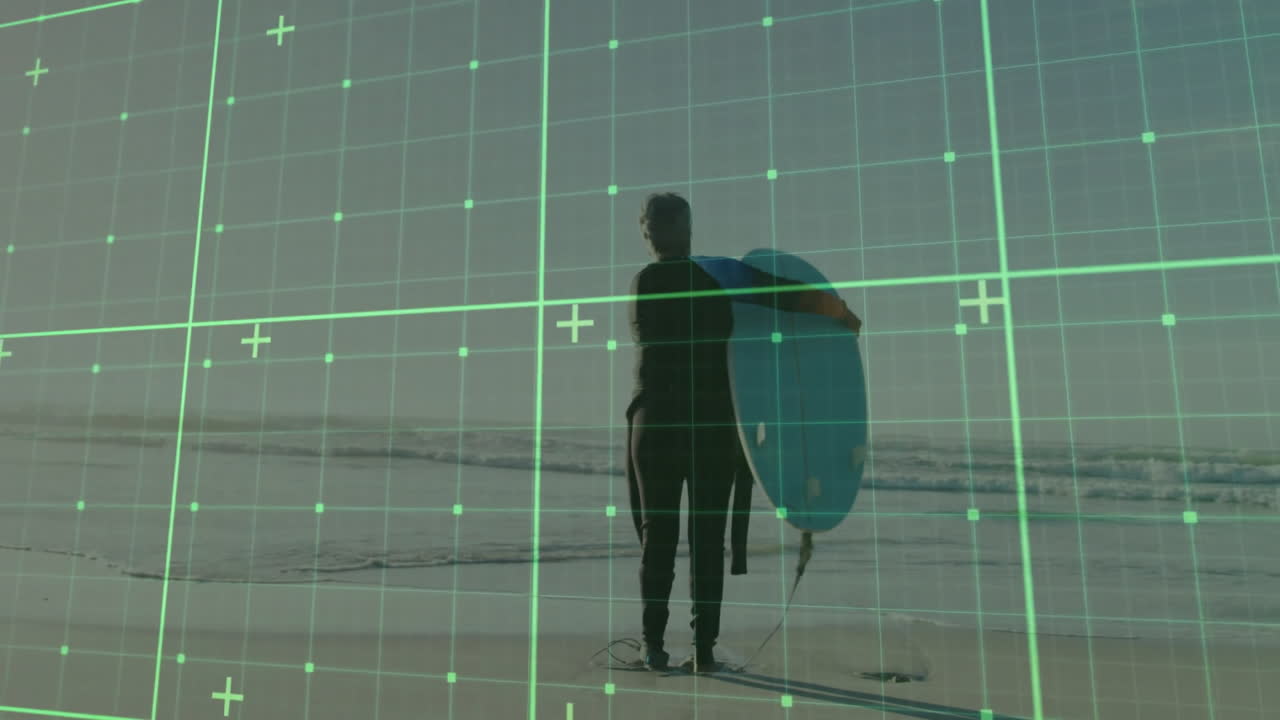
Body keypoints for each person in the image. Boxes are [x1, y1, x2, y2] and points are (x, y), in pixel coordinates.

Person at [624, 192, 861, 673]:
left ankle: (653, 647)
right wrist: (836, 311)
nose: (649, 232)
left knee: (658, 537)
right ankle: (703, 650)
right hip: (709, 423)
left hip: (654, 423)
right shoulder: (719, 274)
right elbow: (784, 295)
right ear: (686, 226)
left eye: (648, 224)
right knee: (705, 537)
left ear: (650, 231)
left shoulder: (641, 283)